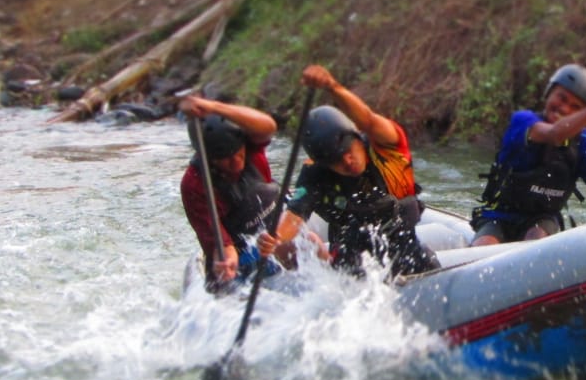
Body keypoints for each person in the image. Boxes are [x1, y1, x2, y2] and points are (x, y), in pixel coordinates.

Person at [262, 65, 439, 278]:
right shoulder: (315, 174)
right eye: (336, 160)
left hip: (406, 249)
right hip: (351, 255)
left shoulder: (384, 147)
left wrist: (332, 86)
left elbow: (369, 120)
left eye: (347, 150)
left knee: (409, 247)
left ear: (355, 136)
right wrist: (275, 238)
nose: (347, 161)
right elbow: (294, 217)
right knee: (347, 253)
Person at [470, 63, 586, 246]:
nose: (564, 109)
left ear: (582, 114)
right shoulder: (523, 121)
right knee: (485, 243)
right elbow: (555, 134)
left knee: (536, 238)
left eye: (575, 106)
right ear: (549, 92)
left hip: (542, 220)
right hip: (498, 215)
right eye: (561, 98)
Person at [178, 95, 284, 292]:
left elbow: (269, 126)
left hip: (275, 230)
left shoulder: (251, 141)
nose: (236, 162)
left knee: (304, 239)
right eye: (225, 159)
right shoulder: (195, 184)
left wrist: (213, 107)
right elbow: (223, 247)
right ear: (209, 159)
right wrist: (228, 264)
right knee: (228, 277)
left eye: (239, 153)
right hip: (241, 250)